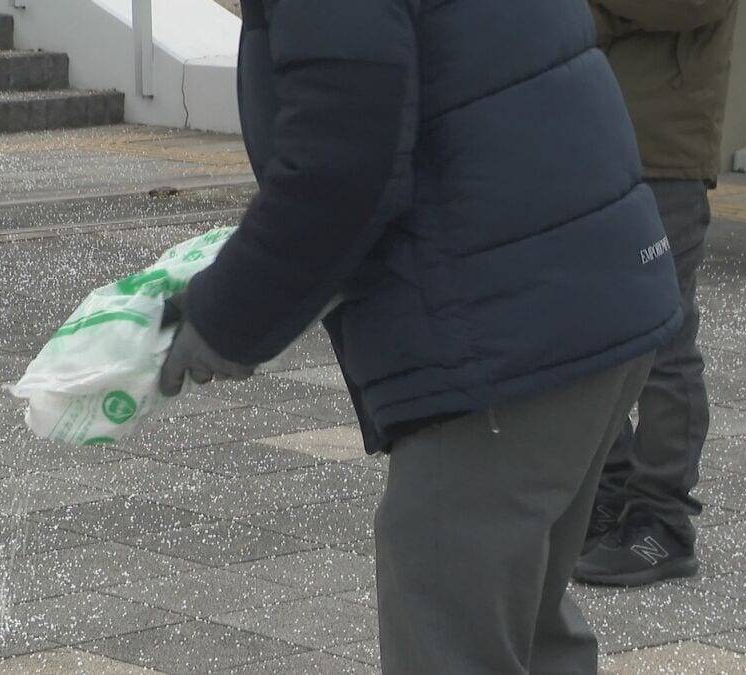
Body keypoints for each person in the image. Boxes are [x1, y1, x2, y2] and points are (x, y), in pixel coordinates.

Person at [159, 0, 681, 671]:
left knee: (447, 625)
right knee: (524, 626)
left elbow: (338, 167)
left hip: (505, 332)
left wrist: (226, 317)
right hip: (586, 289)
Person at [575, 0, 739, 587]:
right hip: (593, 142)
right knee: (589, 333)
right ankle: (608, 493)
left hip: (664, 155)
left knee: (662, 344)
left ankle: (663, 520)